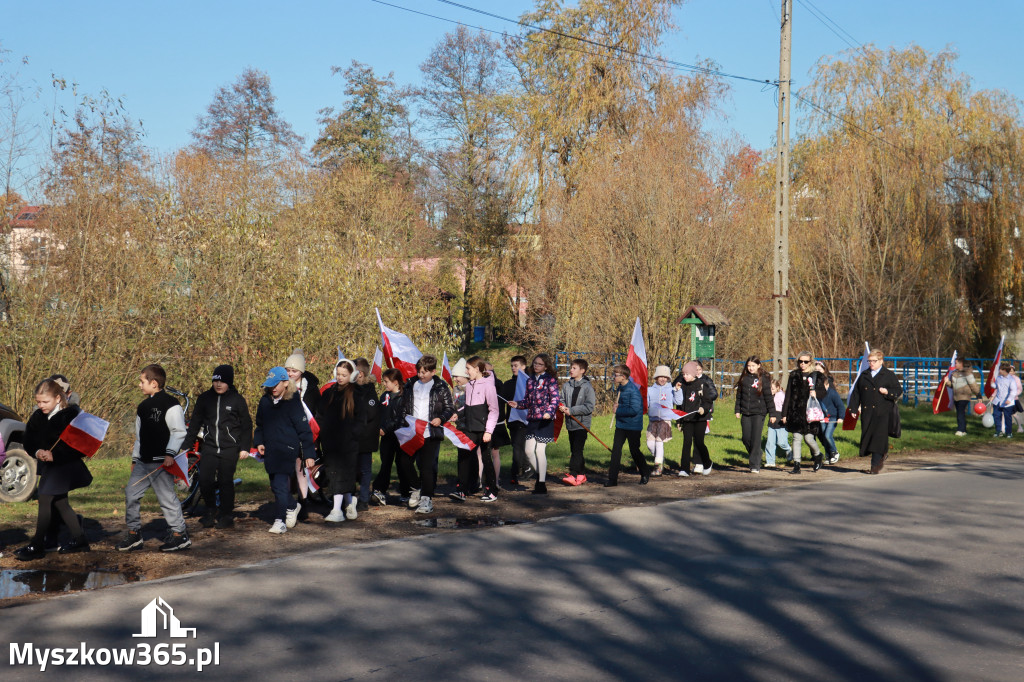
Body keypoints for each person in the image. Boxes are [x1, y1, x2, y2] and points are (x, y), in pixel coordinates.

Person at [14, 379, 93, 561]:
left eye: (45, 402)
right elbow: (29, 439)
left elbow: (79, 447)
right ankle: (80, 539)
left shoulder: (72, 416)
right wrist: (37, 451)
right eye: (38, 402)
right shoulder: (38, 416)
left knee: (44, 498)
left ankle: (37, 544)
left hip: (65, 466)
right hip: (48, 466)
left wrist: (56, 455)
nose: (41, 406)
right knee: (60, 503)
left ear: (58, 398)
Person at [118, 364, 191, 552]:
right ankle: (134, 534)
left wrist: (170, 453)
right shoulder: (142, 407)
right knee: (131, 494)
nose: (139, 385)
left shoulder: (171, 404)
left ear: (154, 383)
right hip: (143, 462)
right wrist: (135, 459)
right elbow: (139, 436)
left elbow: (178, 431)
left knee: (166, 498)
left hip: (162, 461)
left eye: (142, 382)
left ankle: (179, 535)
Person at [181, 364, 252, 529]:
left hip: (230, 448)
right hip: (210, 447)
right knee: (205, 480)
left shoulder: (237, 400)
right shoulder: (205, 398)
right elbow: (195, 423)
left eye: (222, 382)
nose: (218, 385)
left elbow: (246, 425)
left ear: (229, 383)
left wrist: (244, 448)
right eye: (215, 381)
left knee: (225, 481)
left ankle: (226, 515)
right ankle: (210, 510)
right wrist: (187, 445)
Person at [253, 366, 316, 533]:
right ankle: (293, 505)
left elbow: (304, 430)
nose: (273, 388)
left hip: (287, 450)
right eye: (270, 385)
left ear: (285, 383)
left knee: (281, 485)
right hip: (270, 451)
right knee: (275, 486)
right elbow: (260, 425)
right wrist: (259, 442)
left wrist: (309, 454)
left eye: (276, 385)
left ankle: (279, 520)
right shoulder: (265, 402)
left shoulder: (293, 403)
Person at [398, 355, 456, 514]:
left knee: (426, 467)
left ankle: (426, 499)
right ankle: (416, 487)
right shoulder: (410, 384)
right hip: (412, 431)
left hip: (430, 432)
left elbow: (449, 408)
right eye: (419, 371)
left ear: (433, 371)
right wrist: (402, 421)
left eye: (424, 372)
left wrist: (441, 418)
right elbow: (403, 406)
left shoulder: (441, 386)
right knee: (404, 462)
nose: (421, 375)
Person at [316, 360, 365, 524]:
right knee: (333, 474)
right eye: (338, 374)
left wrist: (353, 435)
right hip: (330, 442)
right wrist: (321, 433)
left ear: (351, 375)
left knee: (344, 474)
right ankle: (350, 503)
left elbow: (361, 418)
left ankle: (337, 510)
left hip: (348, 443)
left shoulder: (356, 393)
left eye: (344, 375)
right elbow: (320, 415)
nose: (340, 378)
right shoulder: (329, 393)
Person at [507, 353, 560, 495]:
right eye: (535, 363)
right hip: (532, 419)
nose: (536, 366)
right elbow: (527, 401)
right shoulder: (530, 381)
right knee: (528, 451)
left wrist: (549, 412)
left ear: (546, 366)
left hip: (545, 420)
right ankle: (541, 475)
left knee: (539, 450)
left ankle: (541, 483)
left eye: (540, 364)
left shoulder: (551, 380)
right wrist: (517, 404)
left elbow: (555, 399)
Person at [450, 358, 499, 503]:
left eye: (468, 368)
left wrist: (488, 431)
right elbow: (467, 407)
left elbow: (494, 410)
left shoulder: (488, 386)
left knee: (486, 458)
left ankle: (491, 490)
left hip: (483, 430)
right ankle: (462, 490)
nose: (466, 371)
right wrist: (457, 414)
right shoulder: (470, 385)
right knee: (464, 456)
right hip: (469, 428)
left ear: (477, 369)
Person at [847, 350, 903, 473]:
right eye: (869, 361)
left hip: (882, 411)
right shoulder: (864, 375)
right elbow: (856, 393)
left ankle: (875, 466)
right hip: (867, 412)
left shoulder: (888, 375)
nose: (871, 363)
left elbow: (898, 390)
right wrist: (854, 408)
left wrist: (888, 392)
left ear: (881, 361)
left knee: (878, 438)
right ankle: (882, 454)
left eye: (874, 361)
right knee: (868, 436)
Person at [285, 348, 320, 521]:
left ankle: (304, 502)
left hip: (304, 434)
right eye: (288, 370)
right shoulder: (281, 385)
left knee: (302, 470)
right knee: (285, 470)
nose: (291, 373)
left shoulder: (311, 390)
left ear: (302, 371)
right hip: (285, 434)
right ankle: (285, 504)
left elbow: (316, 413)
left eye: (294, 370)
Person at [605, 365, 653, 487]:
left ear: (624, 377)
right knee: (616, 451)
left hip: (633, 426)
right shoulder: (620, 388)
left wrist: (618, 410)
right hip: (621, 425)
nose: (614, 377)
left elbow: (634, 410)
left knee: (634, 450)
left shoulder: (633, 391)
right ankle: (612, 479)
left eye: (616, 375)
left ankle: (645, 472)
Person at [781, 352, 827, 474]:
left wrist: (816, 393)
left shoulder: (816, 376)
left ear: (810, 362)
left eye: (805, 361)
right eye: (800, 361)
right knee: (796, 437)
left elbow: (823, 392)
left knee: (808, 438)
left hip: (810, 413)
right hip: (795, 412)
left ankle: (818, 455)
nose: (802, 364)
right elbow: (788, 395)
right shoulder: (794, 375)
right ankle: (796, 465)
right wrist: (784, 414)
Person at [372, 368, 408, 505]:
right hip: (386, 437)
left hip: (400, 436)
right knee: (385, 464)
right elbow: (380, 413)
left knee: (401, 464)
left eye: (387, 382)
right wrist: (379, 427)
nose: (385, 384)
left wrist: (386, 428)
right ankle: (379, 490)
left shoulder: (404, 397)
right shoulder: (384, 396)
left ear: (396, 382)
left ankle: (406, 492)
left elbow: (400, 417)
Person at [733, 356, 774, 473]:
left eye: (753, 366)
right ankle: (757, 453)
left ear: (758, 365)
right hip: (746, 412)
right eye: (749, 366)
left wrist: (772, 413)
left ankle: (754, 465)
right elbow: (739, 396)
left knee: (756, 439)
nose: (751, 368)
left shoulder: (764, 378)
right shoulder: (744, 379)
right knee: (746, 438)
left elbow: (768, 396)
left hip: (759, 412)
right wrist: (737, 410)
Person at [559, 358, 596, 485]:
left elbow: (589, 406)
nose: (571, 370)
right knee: (575, 450)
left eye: (574, 368)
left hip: (582, 424)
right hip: (570, 424)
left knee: (577, 450)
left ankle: (573, 474)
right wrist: (562, 407)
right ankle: (582, 474)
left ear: (582, 371)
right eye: (571, 368)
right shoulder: (566, 385)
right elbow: (562, 399)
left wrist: (572, 410)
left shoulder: (587, 387)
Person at [352, 357, 382, 512]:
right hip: (352, 437)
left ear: (360, 374)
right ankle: (348, 497)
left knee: (364, 469)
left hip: (365, 438)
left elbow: (370, 413)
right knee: (350, 468)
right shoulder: (349, 389)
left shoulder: (369, 391)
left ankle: (363, 499)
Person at [675, 361, 713, 477]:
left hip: (700, 419)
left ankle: (707, 462)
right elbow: (680, 405)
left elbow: (708, 401)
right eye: (683, 374)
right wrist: (679, 420)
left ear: (694, 374)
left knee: (699, 442)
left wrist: (703, 409)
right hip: (687, 419)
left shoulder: (702, 385)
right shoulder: (682, 386)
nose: (684, 376)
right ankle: (684, 469)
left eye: (687, 374)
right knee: (686, 442)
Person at [646, 365, 679, 476]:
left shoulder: (671, 389)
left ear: (668, 378)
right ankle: (659, 458)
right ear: (656, 377)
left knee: (659, 442)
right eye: (660, 376)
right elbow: (646, 404)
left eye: (665, 377)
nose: (662, 379)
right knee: (650, 443)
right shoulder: (650, 390)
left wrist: (678, 391)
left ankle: (658, 467)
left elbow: (678, 402)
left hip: (665, 420)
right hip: (653, 420)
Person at [503, 355, 530, 485]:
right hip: (511, 420)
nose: (513, 368)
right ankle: (519, 471)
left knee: (518, 447)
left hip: (525, 420)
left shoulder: (529, 382)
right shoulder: (508, 384)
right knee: (516, 446)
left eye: (516, 366)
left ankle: (522, 469)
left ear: (523, 366)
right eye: (512, 366)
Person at [942, 357, 982, 436]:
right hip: (956, 396)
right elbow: (952, 385)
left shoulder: (967, 373)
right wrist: (947, 382)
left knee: (960, 413)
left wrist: (978, 394)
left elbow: (973, 385)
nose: (955, 364)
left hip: (964, 396)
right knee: (960, 413)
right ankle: (963, 430)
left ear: (961, 364)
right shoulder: (954, 373)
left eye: (956, 363)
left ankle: (960, 430)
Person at [815, 362, 845, 465]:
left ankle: (834, 452)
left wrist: (841, 417)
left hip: (832, 417)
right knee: (824, 436)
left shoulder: (832, 392)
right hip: (823, 418)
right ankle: (828, 455)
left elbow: (840, 405)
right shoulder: (818, 393)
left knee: (828, 435)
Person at [765, 378, 791, 468]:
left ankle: (789, 450)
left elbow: (786, 406)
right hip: (772, 421)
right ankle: (770, 461)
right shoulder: (769, 396)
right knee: (770, 442)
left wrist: (786, 417)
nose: (770, 391)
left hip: (781, 421)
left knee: (782, 442)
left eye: (772, 389)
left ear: (777, 388)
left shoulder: (781, 395)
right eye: (769, 389)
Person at [990, 362, 1020, 438]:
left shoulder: (1011, 380)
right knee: (996, 415)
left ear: (1004, 370)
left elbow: (1013, 391)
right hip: (998, 401)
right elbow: (996, 387)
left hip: (1007, 403)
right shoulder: (999, 378)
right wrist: (992, 384)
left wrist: (1009, 399)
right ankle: (998, 431)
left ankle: (1009, 432)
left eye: (1000, 369)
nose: (999, 371)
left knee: (1007, 417)